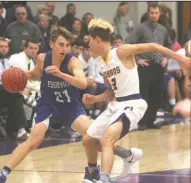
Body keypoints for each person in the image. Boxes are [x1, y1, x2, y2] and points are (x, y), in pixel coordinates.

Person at [0, 27, 142, 183]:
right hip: (48, 106)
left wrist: (61, 74)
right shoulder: (42, 59)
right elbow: (35, 75)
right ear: (52, 44)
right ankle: (3, 174)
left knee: (93, 139)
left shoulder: (72, 61)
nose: (65, 48)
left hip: (69, 107)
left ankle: (126, 155)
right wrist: (19, 76)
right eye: (61, 44)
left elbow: (82, 82)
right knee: (33, 141)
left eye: (67, 45)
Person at [81, 18, 190, 183]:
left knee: (107, 139)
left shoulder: (121, 51)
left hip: (132, 104)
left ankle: (103, 179)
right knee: (89, 140)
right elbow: (111, 92)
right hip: (115, 105)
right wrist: (95, 98)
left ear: (97, 40)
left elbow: (153, 46)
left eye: (90, 43)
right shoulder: (101, 64)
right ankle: (127, 156)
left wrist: (180, 58)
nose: (88, 48)